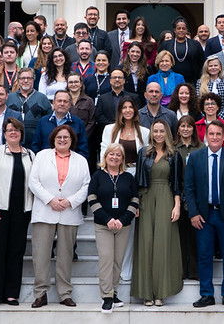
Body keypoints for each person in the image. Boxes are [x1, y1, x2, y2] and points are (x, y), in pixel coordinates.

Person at [184, 121, 224, 309]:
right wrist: (193, 213)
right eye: (211, 134)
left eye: (219, 134)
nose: (215, 137)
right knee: (204, 256)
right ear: (206, 136)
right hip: (204, 215)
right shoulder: (195, 157)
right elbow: (189, 187)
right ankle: (207, 294)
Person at [28, 125, 91, 308]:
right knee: (40, 255)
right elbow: (34, 181)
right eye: (59, 137)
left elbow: (86, 185)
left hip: (69, 212)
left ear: (72, 140)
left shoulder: (80, 160)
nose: (62, 140)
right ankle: (40, 293)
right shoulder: (41, 156)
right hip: (45, 210)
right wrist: (51, 200)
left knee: (65, 254)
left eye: (66, 137)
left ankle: (64, 293)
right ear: (53, 139)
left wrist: (70, 201)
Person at [0, 118, 34, 307]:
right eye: (9, 130)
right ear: (4, 134)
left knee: (16, 252)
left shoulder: (30, 155)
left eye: (17, 130)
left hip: (22, 212)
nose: (13, 133)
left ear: (21, 133)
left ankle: (12, 294)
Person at [132, 120, 184, 306]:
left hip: (166, 198)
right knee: (145, 244)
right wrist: (136, 204)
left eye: (162, 131)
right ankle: (146, 292)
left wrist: (176, 205)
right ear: (152, 133)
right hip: (146, 198)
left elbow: (177, 183)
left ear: (167, 133)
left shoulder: (174, 155)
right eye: (156, 131)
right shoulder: (143, 153)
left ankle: (160, 292)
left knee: (162, 244)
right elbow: (138, 180)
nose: (159, 134)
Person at [100, 98, 149, 281]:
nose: (127, 110)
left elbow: (146, 160)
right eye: (124, 108)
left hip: (135, 178)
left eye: (131, 107)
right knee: (114, 218)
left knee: (130, 223)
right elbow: (103, 154)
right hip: (114, 176)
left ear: (136, 111)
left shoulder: (144, 131)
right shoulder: (109, 130)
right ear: (119, 111)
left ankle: (126, 269)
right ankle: (111, 268)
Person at [88, 143, 139, 313]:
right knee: (106, 259)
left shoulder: (128, 178)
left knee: (118, 261)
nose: (115, 157)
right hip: (103, 225)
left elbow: (135, 200)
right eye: (112, 154)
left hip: (123, 226)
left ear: (122, 159)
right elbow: (92, 198)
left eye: (118, 155)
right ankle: (107, 297)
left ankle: (114, 292)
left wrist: (123, 220)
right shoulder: (97, 176)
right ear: (106, 156)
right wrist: (108, 219)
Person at [173, 115, 204, 280]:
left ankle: (195, 271)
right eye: (182, 126)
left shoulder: (201, 148)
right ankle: (182, 270)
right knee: (181, 236)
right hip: (177, 196)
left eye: (189, 126)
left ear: (194, 129)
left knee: (195, 236)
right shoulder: (172, 148)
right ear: (178, 129)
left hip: (197, 197)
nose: (185, 129)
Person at [6, 67, 53, 149]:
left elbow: (48, 121)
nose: (26, 81)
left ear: (33, 80)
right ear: (18, 80)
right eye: (22, 78)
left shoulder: (42, 98)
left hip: (36, 143)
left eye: (29, 78)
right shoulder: (9, 98)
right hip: (12, 143)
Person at [32, 90, 89, 157]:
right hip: (47, 163)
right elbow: (36, 146)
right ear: (53, 103)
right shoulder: (43, 122)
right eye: (59, 101)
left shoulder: (78, 123)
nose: (62, 104)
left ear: (70, 104)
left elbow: (83, 149)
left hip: (71, 163)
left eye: (65, 101)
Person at [157, 17, 205, 85]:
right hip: (170, 81)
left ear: (186, 30)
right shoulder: (166, 45)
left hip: (192, 81)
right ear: (174, 30)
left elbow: (201, 62)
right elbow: (159, 62)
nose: (181, 30)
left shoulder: (195, 44)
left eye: (183, 28)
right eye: (179, 28)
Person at [67, 72, 96, 156]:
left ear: (80, 84)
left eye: (76, 82)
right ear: (67, 84)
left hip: (84, 141)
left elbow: (92, 121)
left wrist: (82, 137)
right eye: (71, 82)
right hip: (65, 140)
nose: (73, 84)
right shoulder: (63, 100)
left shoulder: (89, 101)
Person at [195, 56, 224, 120]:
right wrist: (207, 118)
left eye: (215, 65)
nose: (213, 68)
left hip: (222, 119)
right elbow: (198, 103)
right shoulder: (200, 82)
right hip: (205, 119)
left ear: (220, 67)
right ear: (207, 68)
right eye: (210, 66)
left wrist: (218, 118)